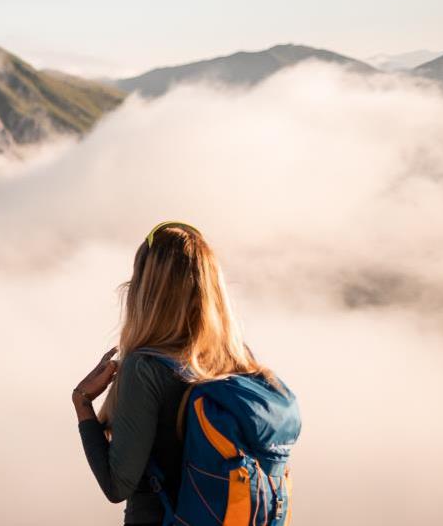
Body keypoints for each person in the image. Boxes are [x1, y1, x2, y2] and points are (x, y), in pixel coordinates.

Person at [71, 222, 287, 524]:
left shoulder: (145, 369)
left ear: (146, 292)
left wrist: (82, 402)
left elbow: (117, 485)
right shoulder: (238, 362)